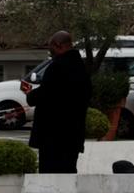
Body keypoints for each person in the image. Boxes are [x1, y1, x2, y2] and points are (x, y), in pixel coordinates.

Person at [21, 31, 91, 173]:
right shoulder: (81, 67)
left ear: (58, 46)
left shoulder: (57, 67)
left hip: (53, 135)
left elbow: (46, 93)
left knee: (50, 174)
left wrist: (30, 95)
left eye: (51, 47)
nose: (50, 51)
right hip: (73, 133)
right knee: (68, 172)